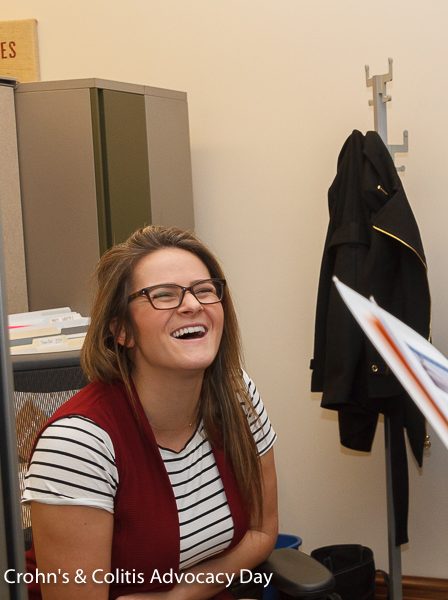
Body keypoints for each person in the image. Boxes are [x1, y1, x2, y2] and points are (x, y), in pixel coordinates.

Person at [22, 226, 278, 600]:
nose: (192, 305)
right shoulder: (77, 444)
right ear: (122, 331)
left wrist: (177, 596)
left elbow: (262, 532)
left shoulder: (238, 395)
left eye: (204, 289)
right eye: (163, 295)